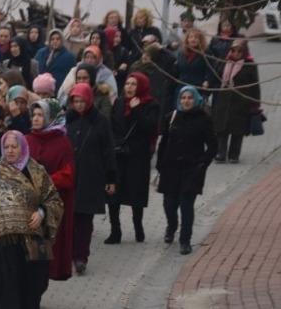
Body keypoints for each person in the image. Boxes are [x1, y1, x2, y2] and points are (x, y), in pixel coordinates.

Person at [0, 131, 63, 309]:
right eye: (6, 147)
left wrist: (42, 213)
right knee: (6, 281)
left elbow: (53, 199)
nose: (10, 151)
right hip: (1, 239)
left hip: (29, 239)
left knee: (28, 281)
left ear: (23, 147)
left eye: (14, 147)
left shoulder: (36, 171)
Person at [157, 86, 218, 255]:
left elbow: (213, 146)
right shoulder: (172, 117)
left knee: (186, 205)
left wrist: (202, 164)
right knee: (169, 204)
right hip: (170, 169)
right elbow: (163, 143)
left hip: (192, 169)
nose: (186, 101)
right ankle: (172, 225)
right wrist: (160, 165)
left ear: (196, 99)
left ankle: (185, 240)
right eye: (183, 98)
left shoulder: (204, 119)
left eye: (190, 98)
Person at [65, 84, 117, 275]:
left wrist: (111, 178)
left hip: (91, 176)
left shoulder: (100, 121)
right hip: (70, 176)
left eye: (82, 101)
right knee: (69, 218)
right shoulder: (67, 120)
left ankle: (81, 257)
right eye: (75, 101)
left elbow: (108, 150)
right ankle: (69, 254)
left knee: (84, 220)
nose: (79, 105)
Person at [106, 73, 160, 244]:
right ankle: (115, 230)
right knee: (113, 193)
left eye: (133, 84)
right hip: (119, 154)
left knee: (136, 193)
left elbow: (150, 128)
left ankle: (138, 226)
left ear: (141, 86)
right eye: (127, 83)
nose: (129, 87)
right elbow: (112, 126)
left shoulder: (151, 104)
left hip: (138, 156)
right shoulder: (119, 102)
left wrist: (136, 110)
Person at [26, 100, 76, 281]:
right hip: (29, 203)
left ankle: (41, 283)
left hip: (52, 205)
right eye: (34, 115)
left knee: (46, 248)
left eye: (40, 115)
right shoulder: (27, 140)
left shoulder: (62, 143)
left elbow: (68, 175)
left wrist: (44, 182)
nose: (36, 119)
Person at [212, 39, 260, 164]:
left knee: (237, 130)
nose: (236, 53)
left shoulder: (250, 65)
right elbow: (216, 75)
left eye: (239, 51)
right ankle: (221, 153)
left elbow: (255, 86)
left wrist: (255, 104)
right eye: (233, 50)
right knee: (221, 129)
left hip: (241, 101)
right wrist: (223, 61)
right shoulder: (225, 62)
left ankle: (234, 154)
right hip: (224, 100)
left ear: (244, 51)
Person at [176, 29, 212, 94]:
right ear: (187, 39)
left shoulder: (206, 53)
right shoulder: (181, 53)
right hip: (182, 86)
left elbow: (209, 69)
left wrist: (207, 80)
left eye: (196, 37)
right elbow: (177, 69)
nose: (193, 39)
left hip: (198, 87)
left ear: (200, 39)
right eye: (191, 37)